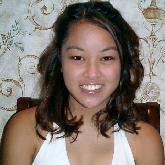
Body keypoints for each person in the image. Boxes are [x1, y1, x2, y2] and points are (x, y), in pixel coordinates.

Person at [0, 1, 164, 165]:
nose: (92, 73)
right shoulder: (24, 129)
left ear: (123, 65)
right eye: (77, 57)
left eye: (106, 58)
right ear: (60, 63)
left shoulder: (146, 142)